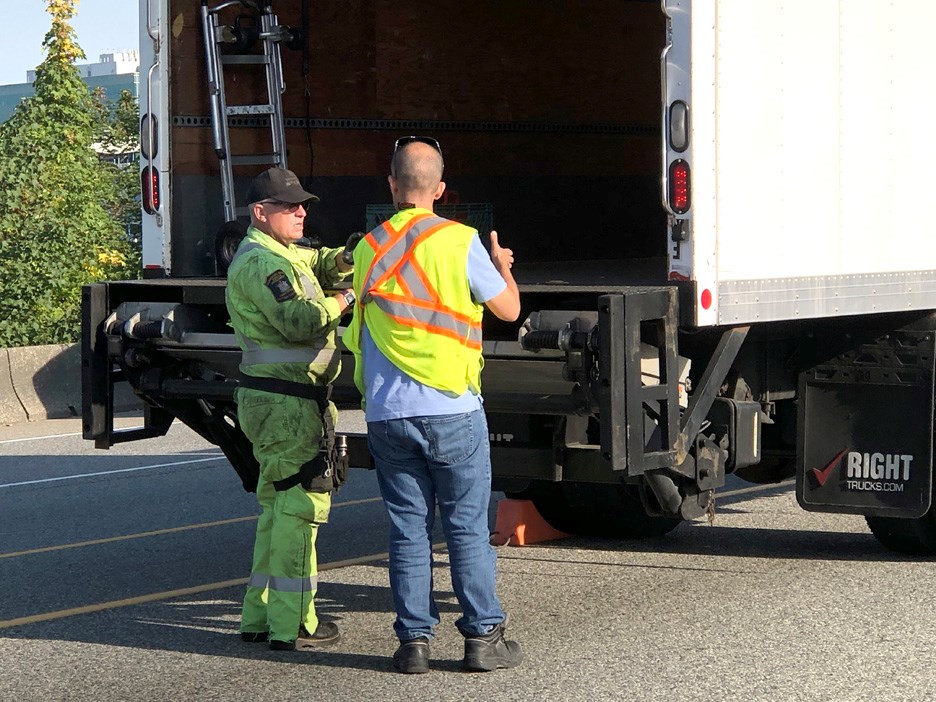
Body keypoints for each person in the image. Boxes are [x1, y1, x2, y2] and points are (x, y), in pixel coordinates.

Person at [343, 136, 523, 673]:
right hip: (452, 408)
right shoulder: (461, 241)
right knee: (466, 528)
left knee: (407, 529)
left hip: (386, 413)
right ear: (440, 190)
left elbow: (361, 327)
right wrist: (500, 264)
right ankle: (482, 639)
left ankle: (414, 643)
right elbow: (509, 310)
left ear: (392, 186)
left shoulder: (366, 248)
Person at [225, 167, 357, 651]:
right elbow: (300, 320)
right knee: (301, 511)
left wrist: (345, 259)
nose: (302, 212)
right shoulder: (264, 264)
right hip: (288, 405)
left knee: (277, 510)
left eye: (303, 204)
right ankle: (293, 624)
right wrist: (347, 296)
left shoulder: (277, 253)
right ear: (261, 214)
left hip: (274, 400)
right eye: (289, 206)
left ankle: (259, 617)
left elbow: (315, 264)